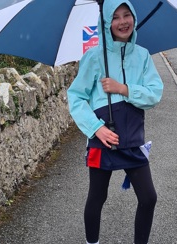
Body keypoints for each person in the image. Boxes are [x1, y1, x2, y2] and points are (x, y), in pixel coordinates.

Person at [67, 0, 163, 243]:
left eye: (126, 15)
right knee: (97, 197)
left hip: (132, 139)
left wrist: (124, 89)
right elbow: (76, 97)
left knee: (148, 197)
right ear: (107, 23)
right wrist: (96, 128)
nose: (122, 22)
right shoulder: (94, 57)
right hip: (103, 141)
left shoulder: (142, 56)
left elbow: (155, 93)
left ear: (134, 18)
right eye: (115, 17)